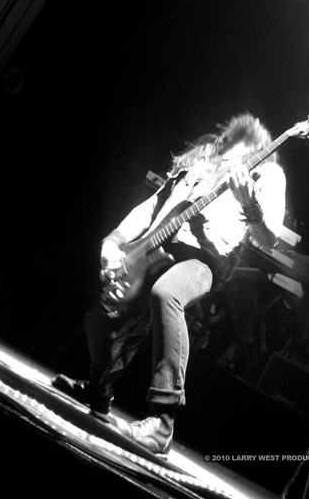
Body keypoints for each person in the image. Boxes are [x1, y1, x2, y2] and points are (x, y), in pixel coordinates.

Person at [52, 111, 287, 456]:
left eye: (241, 151)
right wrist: (114, 241)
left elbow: (271, 238)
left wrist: (249, 205)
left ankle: (162, 420)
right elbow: (153, 205)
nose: (231, 157)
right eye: (229, 150)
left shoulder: (267, 171)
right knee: (101, 321)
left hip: (203, 260)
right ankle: (98, 390)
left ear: (256, 146)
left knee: (167, 294)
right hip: (153, 247)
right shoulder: (203, 159)